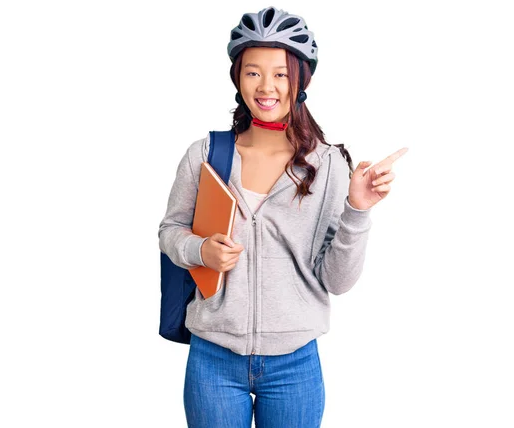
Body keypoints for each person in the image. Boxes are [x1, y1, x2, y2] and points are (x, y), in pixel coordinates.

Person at [158, 6, 408, 428]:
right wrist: (201, 250)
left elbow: (338, 281)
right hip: (212, 357)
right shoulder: (204, 155)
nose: (266, 86)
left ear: (301, 81)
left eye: (280, 73)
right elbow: (169, 232)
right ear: (238, 78)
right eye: (253, 72)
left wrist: (357, 211)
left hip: (294, 364)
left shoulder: (328, 166)